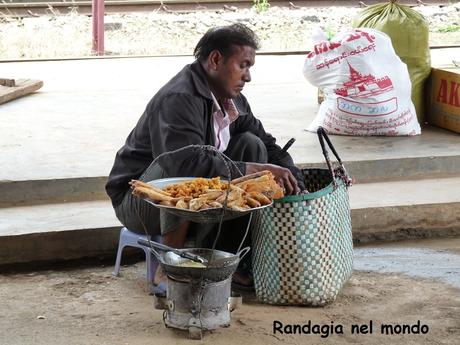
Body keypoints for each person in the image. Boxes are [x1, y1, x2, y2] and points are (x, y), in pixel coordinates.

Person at [106, 23, 304, 293]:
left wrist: (292, 174)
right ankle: (170, 267)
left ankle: (222, 261)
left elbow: (266, 143)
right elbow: (183, 164)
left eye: (250, 68)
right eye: (243, 66)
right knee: (177, 169)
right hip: (139, 202)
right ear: (215, 60)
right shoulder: (179, 98)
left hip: (186, 197)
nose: (247, 77)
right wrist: (254, 169)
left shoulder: (231, 98)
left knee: (252, 144)